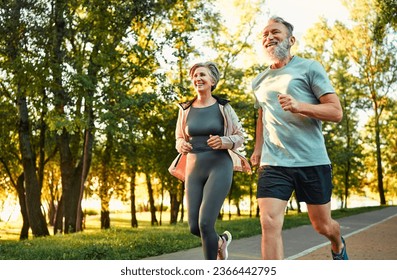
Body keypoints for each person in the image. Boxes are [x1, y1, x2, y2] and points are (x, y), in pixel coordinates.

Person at [250, 16, 348, 260]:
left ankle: (338, 244)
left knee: (322, 226)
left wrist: (300, 106)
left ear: (291, 39)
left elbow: (336, 112)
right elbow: (263, 114)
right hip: (274, 163)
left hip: (311, 159)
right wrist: (258, 148)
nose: (269, 37)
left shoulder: (309, 67)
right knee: (269, 222)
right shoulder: (258, 81)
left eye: (275, 32)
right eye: (265, 34)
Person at [174, 61, 251, 260]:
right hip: (193, 167)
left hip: (219, 165)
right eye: (195, 76)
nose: (197, 78)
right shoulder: (185, 109)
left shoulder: (223, 107)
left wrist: (224, 141)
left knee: (206, 223)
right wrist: (181, 144)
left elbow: (240, 136)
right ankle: (220, 242)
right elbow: (179, 137)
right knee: (194, 226)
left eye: (202, 75)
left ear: (212, 81)